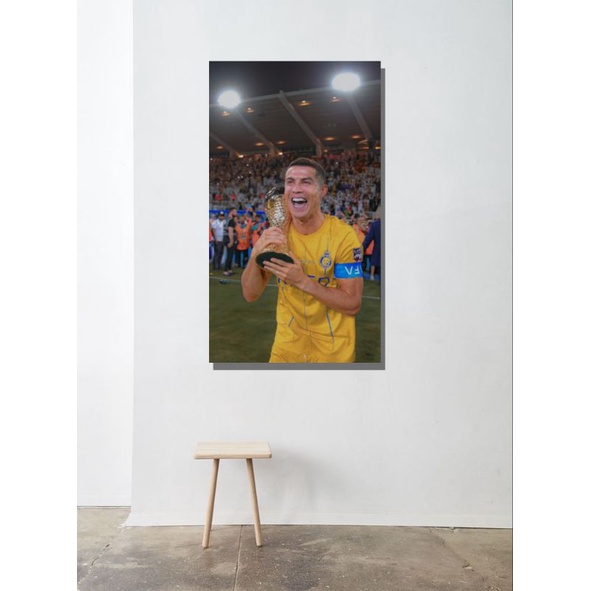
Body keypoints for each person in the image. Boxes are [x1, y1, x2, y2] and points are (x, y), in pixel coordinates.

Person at [241, 157, 364, 363]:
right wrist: (256, 254)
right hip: (286, 347)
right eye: (290, 182)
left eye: (306, 182)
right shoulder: (279, 233)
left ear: (322, 191)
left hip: (332, 352)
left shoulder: (344, 237)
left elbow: (352, 304)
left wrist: (302, 281)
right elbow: (250, 294)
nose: (296, 188)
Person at [362, 212, 381, 281]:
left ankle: (373, 276)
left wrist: (362, 248)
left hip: (377, 249)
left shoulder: (375, 225)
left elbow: (368, 238)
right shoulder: (375, 224)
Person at [223, 208, 238, 276]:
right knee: (229, 255)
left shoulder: (227, 219)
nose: (236, 213)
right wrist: (231, 241)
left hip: (226, 238)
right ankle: (225, 270)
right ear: (232, 212)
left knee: (230, 254)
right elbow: (230, 231)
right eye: (235, 211)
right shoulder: (231, 220)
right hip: (229, 239)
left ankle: (229, 269)